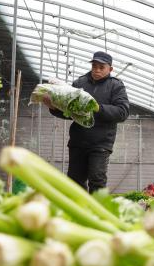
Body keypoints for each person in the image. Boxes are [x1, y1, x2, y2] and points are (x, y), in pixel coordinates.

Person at [49, 51, 130, 192]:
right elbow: (70, 112)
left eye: (101, 67)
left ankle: (96, 206)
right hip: (78, 141)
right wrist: (54, 107)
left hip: (101, 143)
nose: (97, 70)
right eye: (94, 66)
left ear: (110, 69)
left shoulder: (116, 86)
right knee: (74, 181)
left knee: (97, 179)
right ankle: (78, 205)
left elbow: (122, 112)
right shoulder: (79, 83)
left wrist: (98, 108)